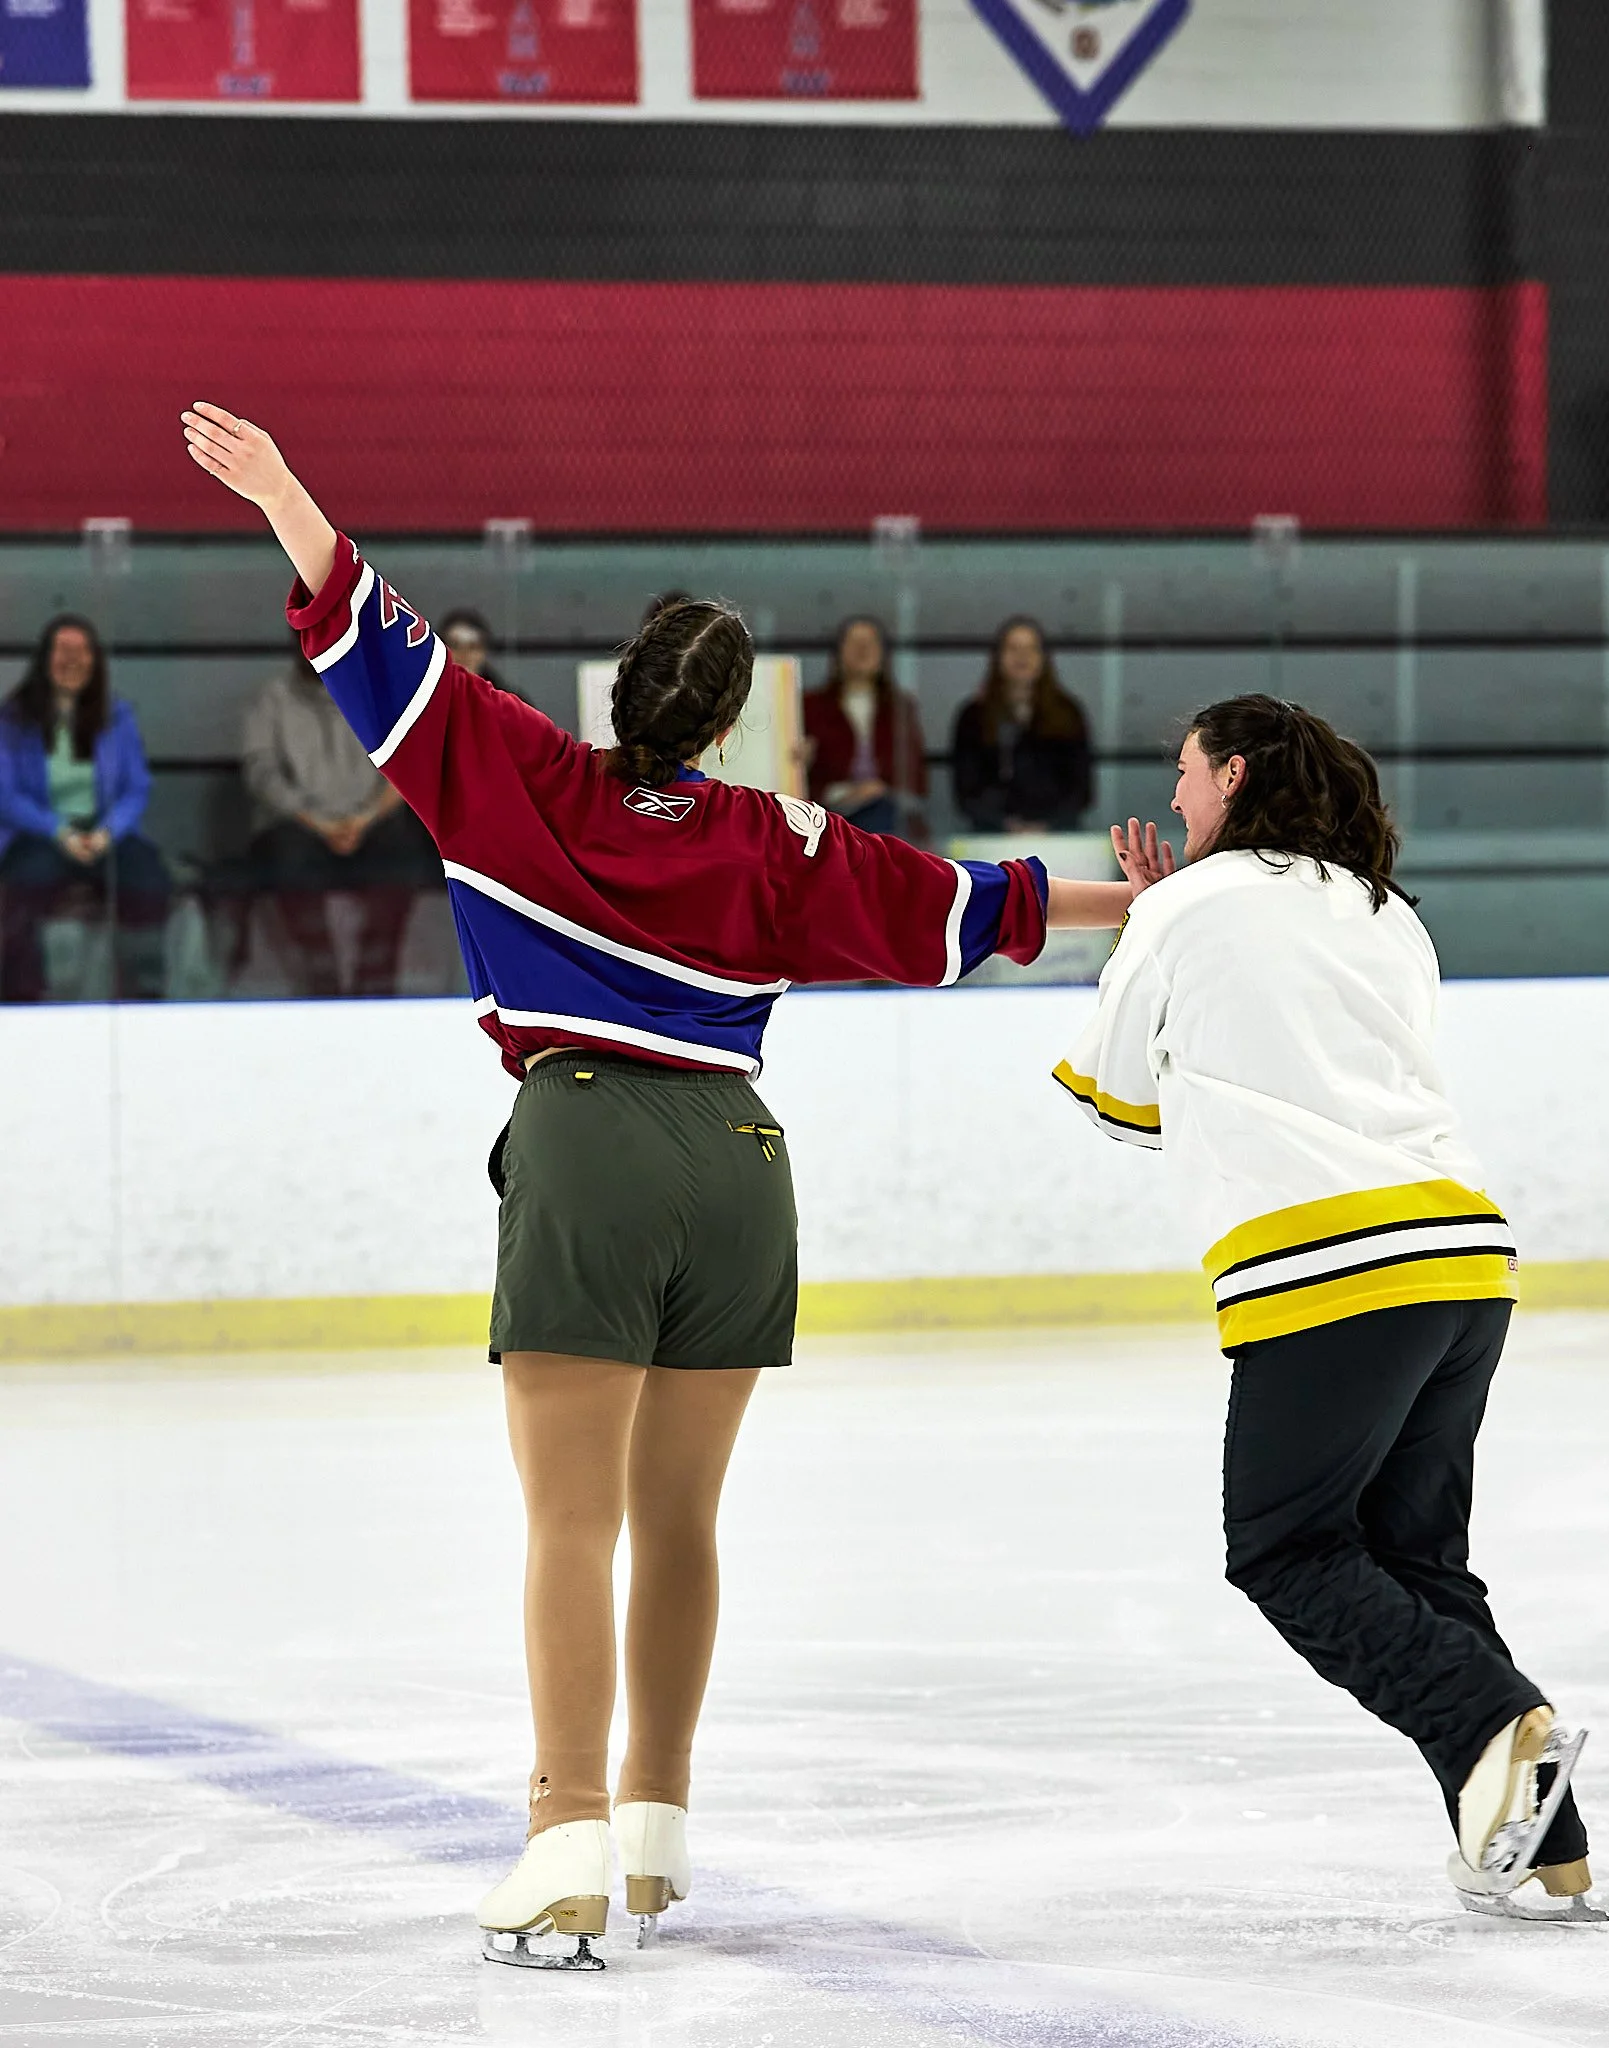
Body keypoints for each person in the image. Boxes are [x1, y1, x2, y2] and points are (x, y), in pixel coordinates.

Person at [179, 399, 1140, 1969]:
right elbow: (977, 905)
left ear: (621, 694)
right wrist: (1142, 902)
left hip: (592, 1140)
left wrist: (284, 485)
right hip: (742, 1164)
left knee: (568, 1520)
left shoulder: (516, 772)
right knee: (678, 1518)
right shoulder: (786, 838)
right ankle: (652, 1831)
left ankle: (560, 1833)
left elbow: (362, 628)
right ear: (727, 722)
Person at [1056, 695, 1602, 1925]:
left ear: (1233, 773)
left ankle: (1495, 1724)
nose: (1176, 798)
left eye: (1186, 775)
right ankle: (1548, 1850)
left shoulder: (1181, 906)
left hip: (1328, 1269)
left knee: (1287, 1546)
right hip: (1463, 1263)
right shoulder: (1385, 912)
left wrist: (1144, 924)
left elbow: (1113, 1100)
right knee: (1415, 1559)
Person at [243, 634, 443, 999]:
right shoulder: (273, 699)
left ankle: (377, 973)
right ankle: (320, 974)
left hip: (370, 821)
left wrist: (366, 818)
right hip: (302, 824)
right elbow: (262, 772)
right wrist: (314, 820)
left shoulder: (378, 693)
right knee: (284, 854)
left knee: (405, 851)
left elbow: (404, 762)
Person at [0, 615, 171, 1002]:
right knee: (25, 882)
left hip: (103, 831)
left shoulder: (118, 716)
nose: (72, 659)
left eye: (81, 651)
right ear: (45, 658)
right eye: (63, 650)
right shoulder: (12, 720)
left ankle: (143, 988)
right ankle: (22, 992)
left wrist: (108, 831)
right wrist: (59, 832)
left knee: (148, 880)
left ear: (95, 661)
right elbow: (6, 794)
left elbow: (137, 786)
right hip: (41, 832)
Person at [951, 617, 1093, 832]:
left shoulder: (1068, 713)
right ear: (998, 657)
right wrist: (1005, 824)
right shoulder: (974, 716)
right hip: (992, 835)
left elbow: (1081, 789)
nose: (1022, 657)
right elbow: (966, 790)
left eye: (1031, 649)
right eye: (1013, 648)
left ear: (1044, 657)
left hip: (1058, 834)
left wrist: (1046, 826)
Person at [802, 616, 926, 838]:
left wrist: (880, 788)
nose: (863, 650)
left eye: (870, 643)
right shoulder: (812, 705)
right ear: (838, 653)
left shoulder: (899, 707)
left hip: (884, 806)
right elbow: (803, 773)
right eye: (854, 643)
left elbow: (914, 774)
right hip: (828, 808)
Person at [437, 610, 530, 704]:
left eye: (473, 647)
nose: (464, 654)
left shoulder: (510, 705)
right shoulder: (426, 700)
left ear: (484, 652)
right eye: (455, 645)